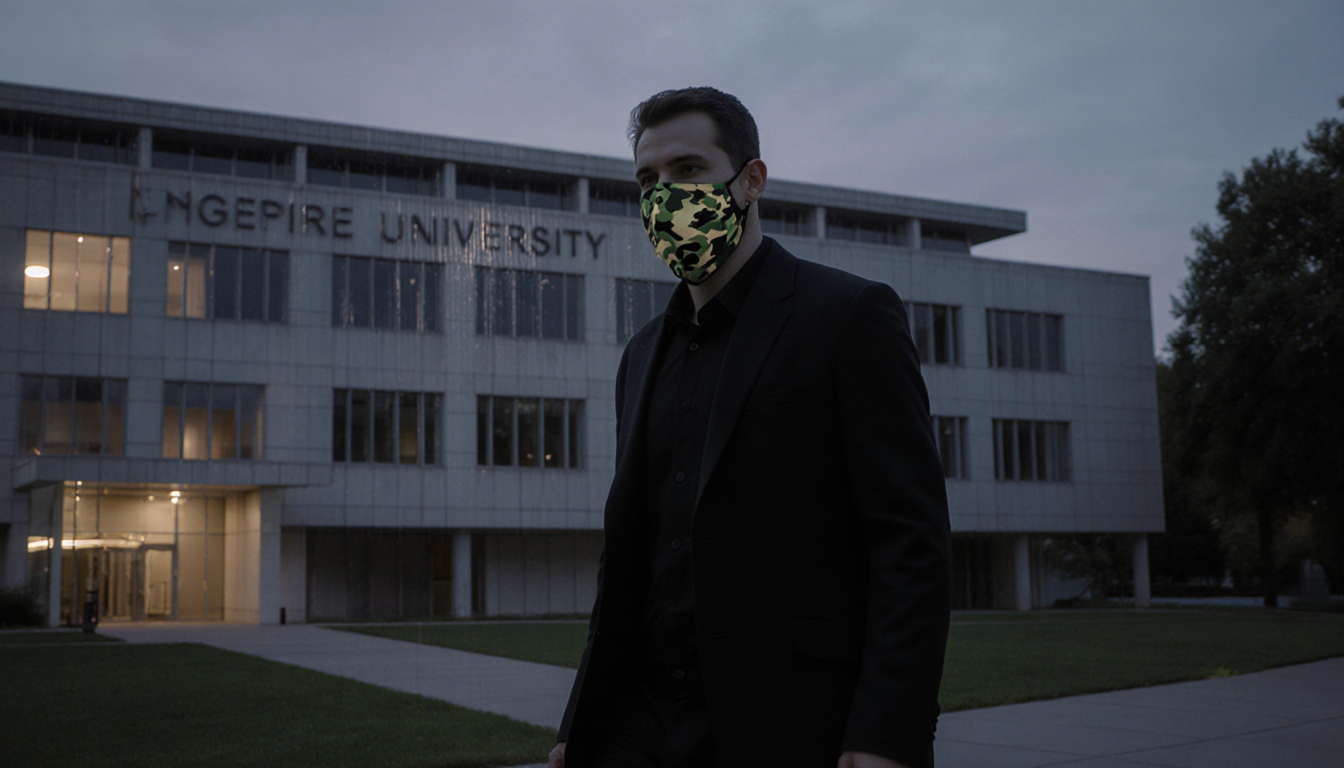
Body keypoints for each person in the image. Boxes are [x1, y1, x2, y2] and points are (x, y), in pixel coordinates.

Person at [550, 87, 951, 768]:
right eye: (648, 180)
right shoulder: (641, 354)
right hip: (637, 725)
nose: (664, 197)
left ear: (751, 181)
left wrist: (885, 733)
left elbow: (909, 540)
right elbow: (628, 560)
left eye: (688, 171)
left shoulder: (849, 316)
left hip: (787, 723)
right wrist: (580, 722)